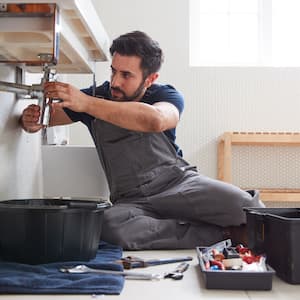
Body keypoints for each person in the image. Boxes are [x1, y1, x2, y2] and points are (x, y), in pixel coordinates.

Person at [20, 31, 264, 249]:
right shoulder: (99, 96)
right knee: (107, 225)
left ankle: (185, 225)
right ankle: (223, 233)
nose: (115, 82)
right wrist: (31, 120)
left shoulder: (165, 95)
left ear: (150, 79)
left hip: (178, 184)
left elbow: (157, 119)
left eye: (126, 75)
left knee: (245, 206)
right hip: (131, 200)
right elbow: (48, 118)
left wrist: (87, 103)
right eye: (113, 71)